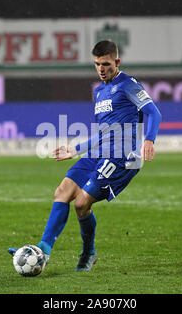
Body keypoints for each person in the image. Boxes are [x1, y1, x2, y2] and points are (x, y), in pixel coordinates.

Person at [9, 40, 162, 271]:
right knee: (62, 191)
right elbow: (103, 132)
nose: (101, 69)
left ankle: (88, 253)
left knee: (81, 204)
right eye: (97, 64)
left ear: (117, 62)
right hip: (100, 152)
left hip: (121, 158)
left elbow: (154, 112)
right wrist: (76, 149)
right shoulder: (99, 91)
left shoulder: (128, 84)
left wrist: (149, 139)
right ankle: (44, 249)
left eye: (106, 64)